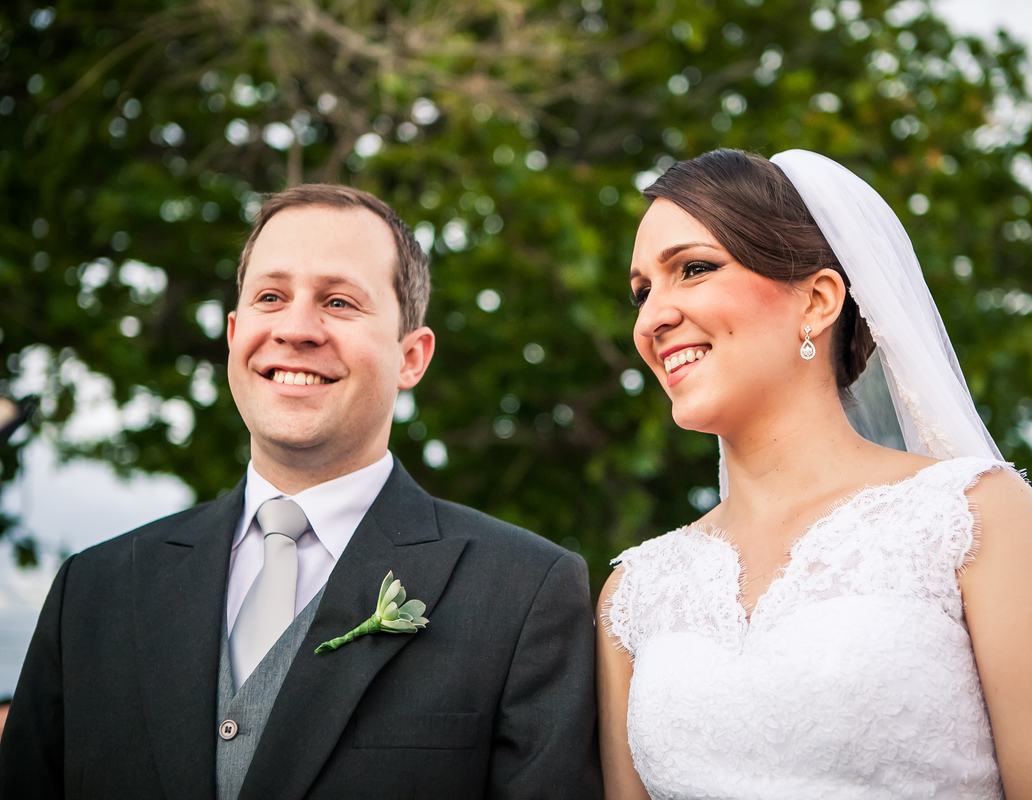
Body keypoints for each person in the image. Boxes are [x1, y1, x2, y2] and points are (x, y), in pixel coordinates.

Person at [596, 149, 1032, 799]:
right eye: (642, 292)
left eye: (693, 269)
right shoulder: (632, 595)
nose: (651, 320)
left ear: (817, 299)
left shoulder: (972, 519)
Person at [0, 184, 602, 799]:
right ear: (234, 332)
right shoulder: (91, 591)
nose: (295, 329)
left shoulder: (525, 592)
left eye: (339, 301)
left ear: (411, 357)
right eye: (270, 297)